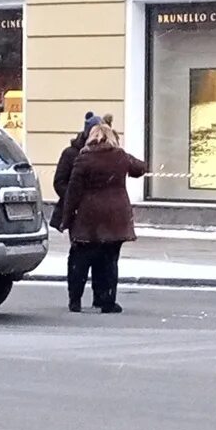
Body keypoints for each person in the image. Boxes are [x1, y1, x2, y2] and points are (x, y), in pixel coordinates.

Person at [60, 123, 147, 314]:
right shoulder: (120, 156)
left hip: (89, 217)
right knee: (109, 261)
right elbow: (140, 168)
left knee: (79, 260)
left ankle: (75, 301)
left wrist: (66, 218)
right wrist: (122, 155)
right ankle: (106, 301)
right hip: (116, 217)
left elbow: (73, 192)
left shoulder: (84, 158)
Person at [52, 113, 101, 309]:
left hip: (99, 213)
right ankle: (75, 298)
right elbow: (59, 183)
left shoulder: (105, 153)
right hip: (77, 213)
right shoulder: (71, 154)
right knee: (80, 255)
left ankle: (100, 296)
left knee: (101, 256)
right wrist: (77, 198)